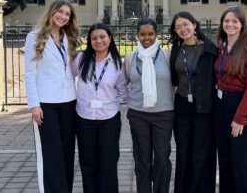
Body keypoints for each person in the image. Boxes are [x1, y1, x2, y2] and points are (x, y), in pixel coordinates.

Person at [24, 0, 81, 193]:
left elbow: (71, 69)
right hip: (46, 104)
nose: (63, 16)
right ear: (51, 12)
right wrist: (34, 105)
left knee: (66, 152)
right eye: (60, 12)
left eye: (67, 14)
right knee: (51, 154)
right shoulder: (35, 37)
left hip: (69, 102)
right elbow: (30, 74)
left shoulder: (68, 37)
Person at [72, 23, 128, 193]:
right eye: (94, 38)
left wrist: (137, 109)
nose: (99, 41)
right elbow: (64, 79)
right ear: (89, 41)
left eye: (102, 37)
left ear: (110, 38)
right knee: (87, 163)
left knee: (108, 163)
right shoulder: (80, 60)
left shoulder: (118, 63)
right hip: (84, 118)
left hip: (109, 119)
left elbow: (123, 90)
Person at [214, 6, 247, 193]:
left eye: (234, 21)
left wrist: (240, 118)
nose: (230, 24)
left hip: (240, 107)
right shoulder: (221, 48)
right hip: (221, 106)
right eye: (226, 21)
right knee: (225, 160)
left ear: (242, 24)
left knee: (242, 163)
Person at [169, 11, 217, 193]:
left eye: (186, 24)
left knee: (200, 155)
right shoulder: (176, 48)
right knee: (183, 153)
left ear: (194, 25)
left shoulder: (209, 49)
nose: (183, 29)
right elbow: (174, 78)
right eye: (178, 26)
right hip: (181, 107)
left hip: (203, 109)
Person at [124, 18, 174, 193]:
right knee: (142, 159)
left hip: (164, 114)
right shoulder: (131, 58)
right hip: (139, 115)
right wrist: (129, 101)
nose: (147, 38)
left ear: (156, 34)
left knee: (161, 158)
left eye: (150, 34)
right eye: (143, 34)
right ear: (137, 35)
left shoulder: (167, 55)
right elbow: (123, 84)